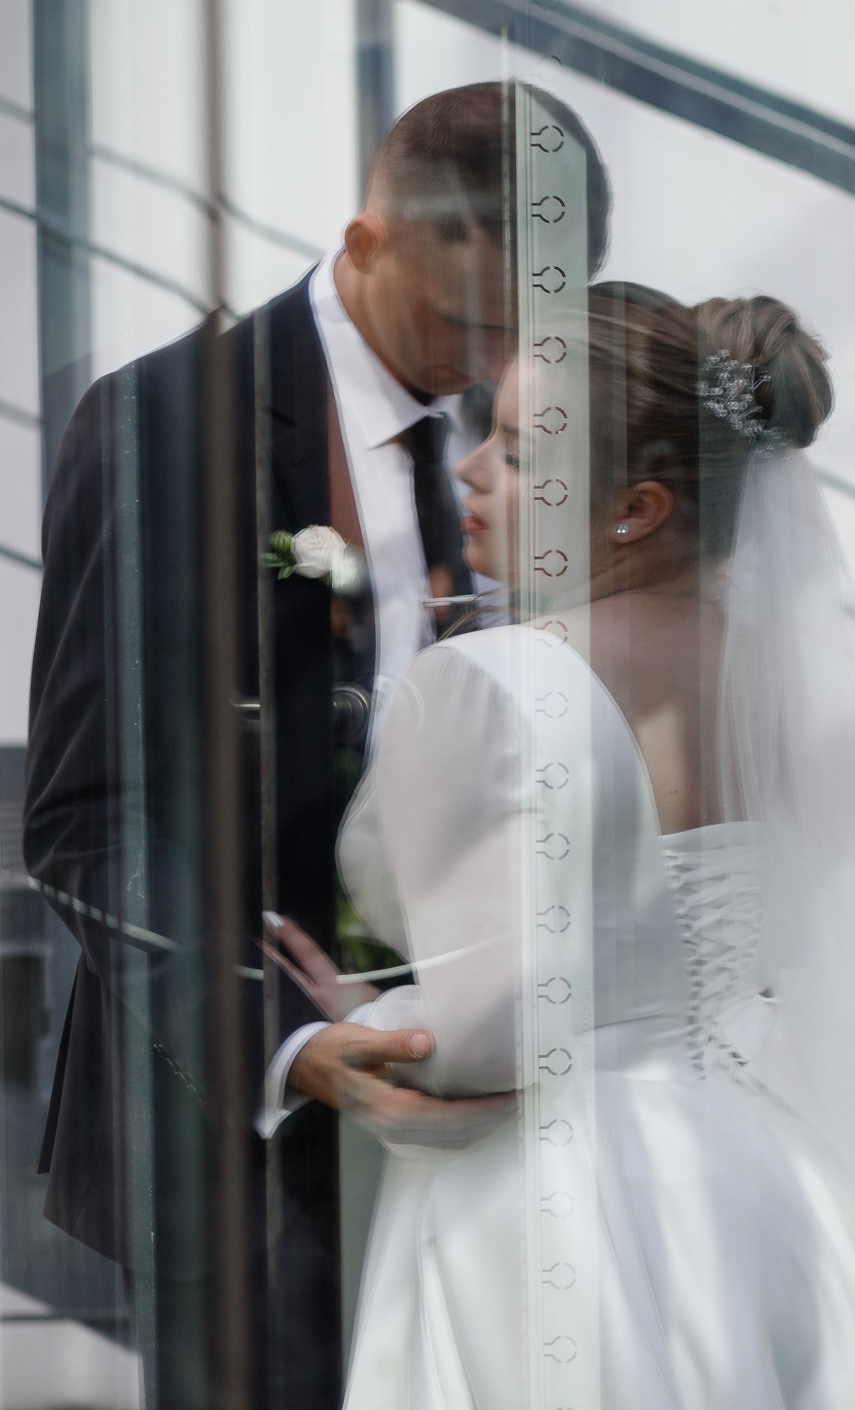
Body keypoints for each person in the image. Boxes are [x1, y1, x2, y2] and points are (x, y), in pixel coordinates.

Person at [23, 81, 605, 1405]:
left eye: (526, 329)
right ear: (365, 242)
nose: (490, 362)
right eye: (468, 322)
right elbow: (82, 811)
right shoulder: (163, 426)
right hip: (246, 1122)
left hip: (489, 1097)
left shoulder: (534, 431)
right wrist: (284, 1038)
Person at [261, 287, 855, 1408]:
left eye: (522, 453)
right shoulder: (789, 681)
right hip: (746, 1175)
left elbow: (485, 1043)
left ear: (636, 508)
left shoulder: (487, 680)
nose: (469, 468)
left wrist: (355, 1024)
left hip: (549, 1205)